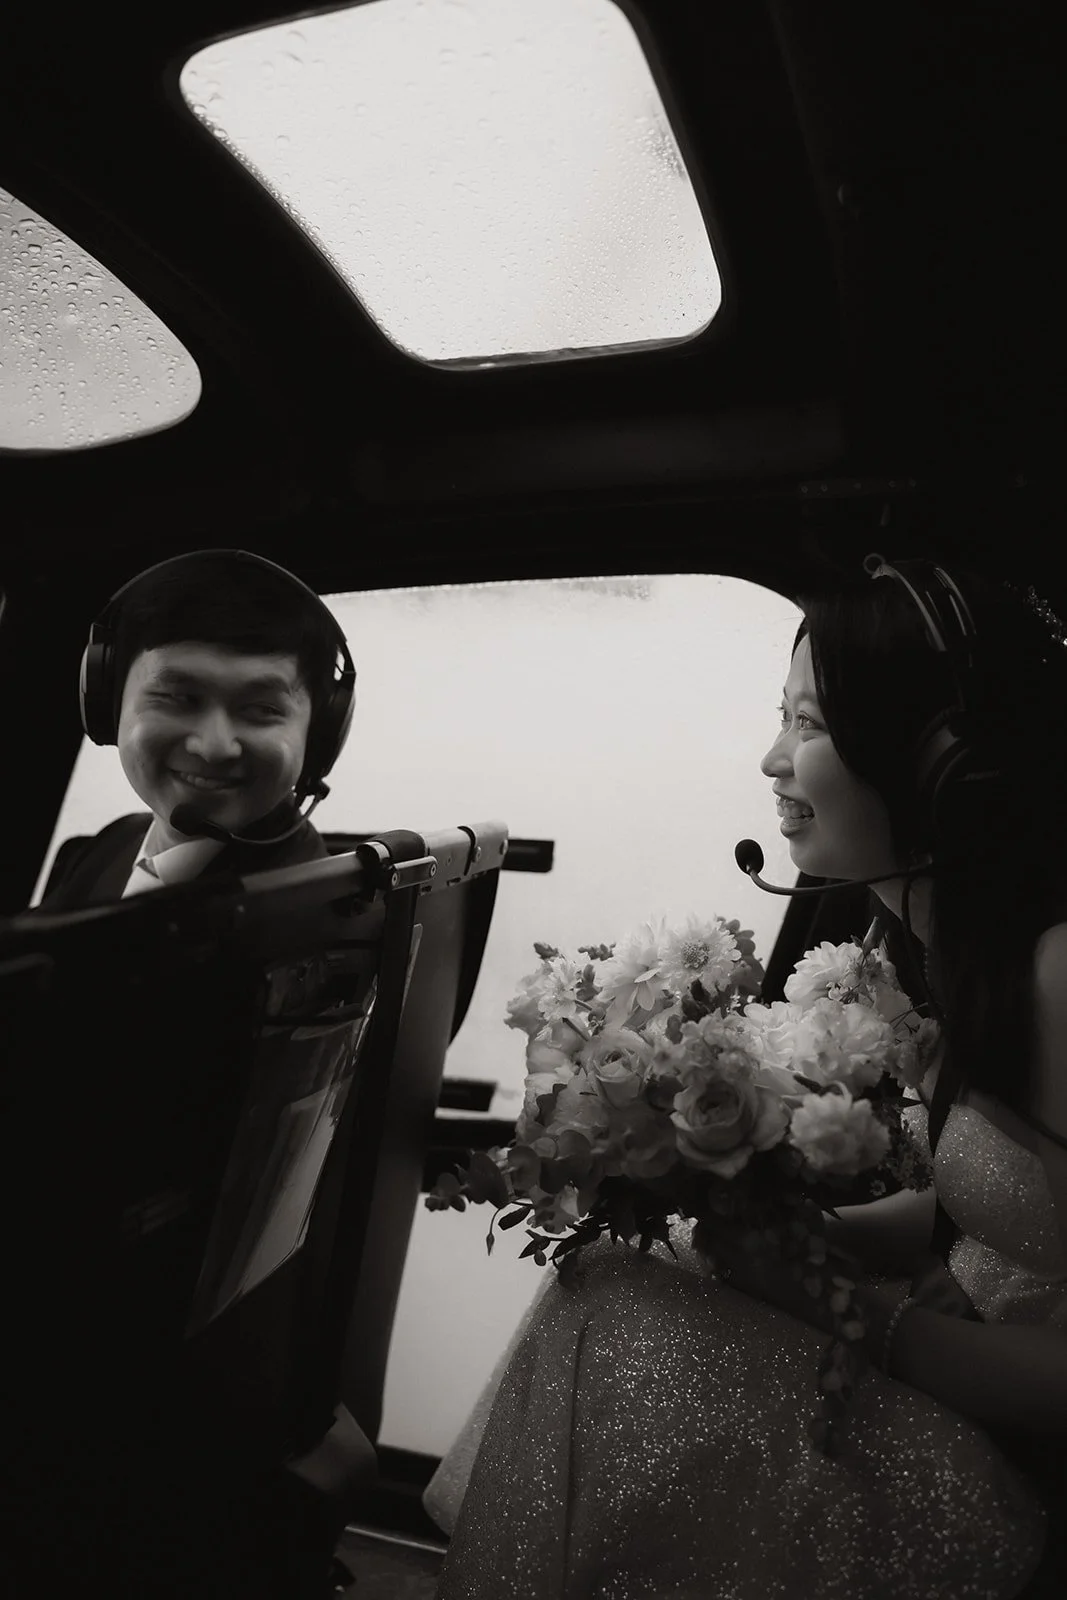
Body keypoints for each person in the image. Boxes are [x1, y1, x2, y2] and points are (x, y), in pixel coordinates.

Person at [424, 555, 1067, 1599]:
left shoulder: (1053, 975)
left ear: (942, 759)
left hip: (1026, 1471)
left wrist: (857, 1317)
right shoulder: (944, 954)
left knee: (622, 1324)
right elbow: (1008, 1219)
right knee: (621, 1273)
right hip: (966, 1370)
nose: (771, 759)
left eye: (806, 724)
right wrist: (817, 1241)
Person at [38, 549, 355, 909]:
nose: (213, 747)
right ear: (109, 703)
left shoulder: (306, 922)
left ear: (319, 736)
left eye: (261, 709)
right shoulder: (115, 842)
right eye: (179, 698)